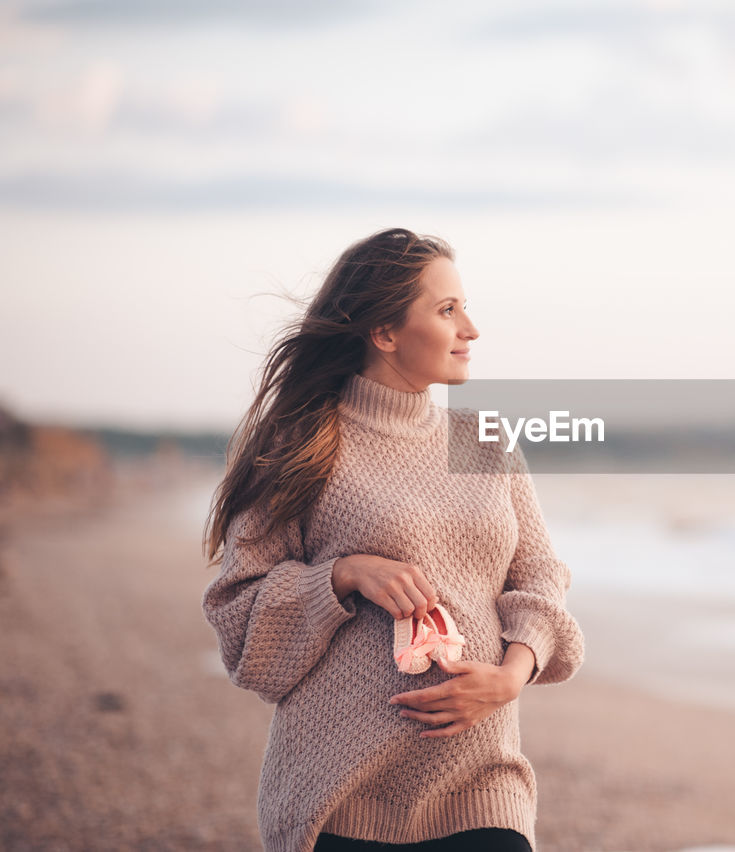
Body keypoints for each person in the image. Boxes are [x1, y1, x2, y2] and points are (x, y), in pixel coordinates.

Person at [202, 228, 584, 852]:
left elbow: (540, 578)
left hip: (482, 783)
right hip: (342, 792)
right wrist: (341, 575)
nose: (471, 329)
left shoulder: (487, 443)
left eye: (464, 306)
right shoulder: (298, 447)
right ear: (383, 333)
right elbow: (238, 616)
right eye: (446, 310)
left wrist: (511, 676)